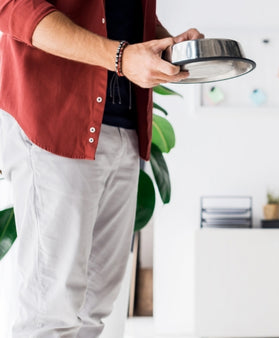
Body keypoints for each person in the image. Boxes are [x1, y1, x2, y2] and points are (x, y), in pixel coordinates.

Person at [0, 1, 202, 336]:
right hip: (55, 124)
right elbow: (15, 7)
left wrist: (169, 45)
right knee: (51, 312)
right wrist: (122, 57)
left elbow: (120, 14)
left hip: (123, 125)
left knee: (95, 310)